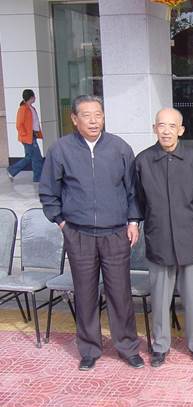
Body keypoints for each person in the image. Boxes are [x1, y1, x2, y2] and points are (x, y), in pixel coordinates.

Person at [39, 95, 144, 371]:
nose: (94, 120)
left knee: (120, 293)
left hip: (115, 233)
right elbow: (48, 192)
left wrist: (133, 221)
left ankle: (127, 346)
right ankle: (89, 349)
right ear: (74, 119)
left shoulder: (120, 148)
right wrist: (62, 222)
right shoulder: (60, 150)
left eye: (98, 114)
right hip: (79, 233)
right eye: (86, 115)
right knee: (85, 293)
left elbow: (133, 190)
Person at [135, 108, 193, 367]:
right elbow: (138, 201)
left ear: (181, 130)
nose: (166, 131)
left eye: (172, 126)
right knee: (160, 298)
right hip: (159, 239)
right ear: (154, 128)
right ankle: (160, 346)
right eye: (161, 126)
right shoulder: (143, 161)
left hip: (191, 240)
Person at [7, 89, 44, 182]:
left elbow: (34, 122)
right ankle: (37, 177)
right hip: (28, 137)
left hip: (32, 136)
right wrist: (26, 135)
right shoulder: (23, 109)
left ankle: (37, 177)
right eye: (34, 96)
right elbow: (19, 124)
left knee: (32, 157)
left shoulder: (31, 108)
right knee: (36, 158)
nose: (35, 98)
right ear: (31, 97)